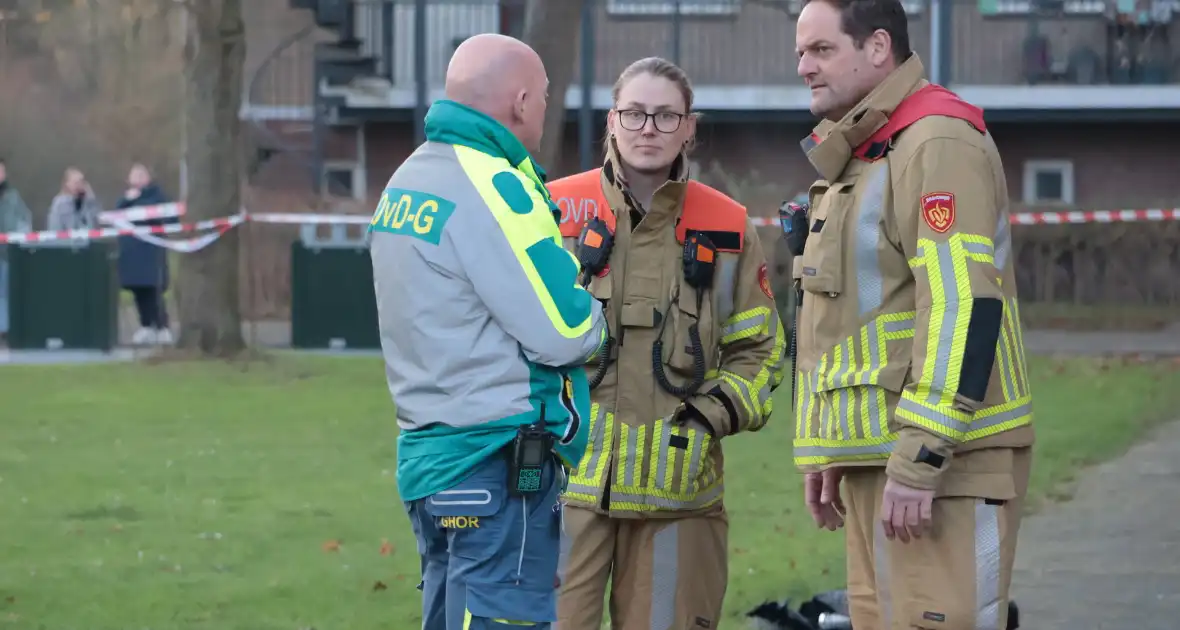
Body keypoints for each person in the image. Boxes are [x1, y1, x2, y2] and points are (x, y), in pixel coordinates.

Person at [790, 1, 1035, 629]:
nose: (803, 68)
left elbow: (962, 307)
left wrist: (920, 456)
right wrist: (827, 445)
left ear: (878, 47)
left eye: (821, 50)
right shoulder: (873, 148)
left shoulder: (936, 141)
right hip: (883, 464)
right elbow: (849, 323)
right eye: (801, 52)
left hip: (940, 467)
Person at [367, 33, 607, 630]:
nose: (546, 109)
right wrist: (593, 303)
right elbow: (565, 330)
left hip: (427, 454)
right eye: (546, 97)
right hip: (497, 458)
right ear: (521, 101)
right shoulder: (497, 186)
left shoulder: (405, 181)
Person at [548, 57, 788, 630]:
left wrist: (708, 420)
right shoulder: (555, 208)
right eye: (634, 114)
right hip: (563, 492)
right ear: (611, 121)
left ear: (689, 127)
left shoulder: (727, 226)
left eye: (664, 116)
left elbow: (760, 350)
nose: (647, 129)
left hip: (678, 497)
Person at [115, 163, 176, 346]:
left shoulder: (157, 196)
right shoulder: (125, 198)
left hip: (151, 250)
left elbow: (168, 217)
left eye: (141, 174)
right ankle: (145, 325)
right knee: (138, 289)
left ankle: (162, 326)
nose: (137, 178)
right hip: (131, 251)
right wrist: (127, 200)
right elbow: (117, 215)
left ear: (148, 177)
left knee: (153, 289)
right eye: (134, 175)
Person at [0, 158, 32, 343]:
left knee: (5, 293)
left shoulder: (13, 197)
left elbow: (24, 219)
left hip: (6, 254)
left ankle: (5, 331)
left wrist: (22, 238)